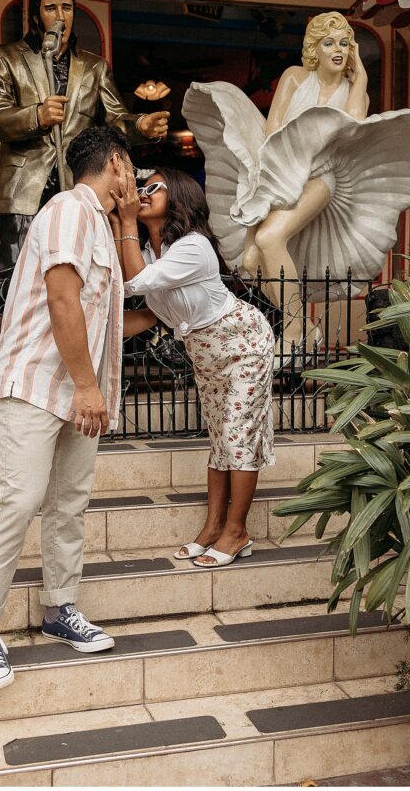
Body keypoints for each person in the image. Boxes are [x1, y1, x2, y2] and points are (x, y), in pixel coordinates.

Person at [0, 127, 156, 689]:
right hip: (36, 383)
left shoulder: (99, 222)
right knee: (20, 498)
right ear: (116, 163)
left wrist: (127, 226)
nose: (138, 181)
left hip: (77, 388)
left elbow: (110, 316)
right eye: (133, 168)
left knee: (68, 501)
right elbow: (61, 297)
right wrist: (88, 387)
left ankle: (59, 609)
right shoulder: (69, 209)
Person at [0, 0, 169, 371]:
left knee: (94, 264)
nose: (60, 15)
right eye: (50, 8)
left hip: (79, 183)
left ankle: (123, 345)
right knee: (12, 266)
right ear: (35, 14)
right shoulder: (4, 58)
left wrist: (140, 125)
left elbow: (115, 119)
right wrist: (35, 115)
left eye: (66, 7)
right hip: (26, 182)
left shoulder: (94, 67)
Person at [182, 12, 410, 349]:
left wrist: (361, 74)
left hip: (323, 177)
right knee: (250, 261)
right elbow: (272, 131)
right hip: (281, 174)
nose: (338, 49)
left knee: (271, 237)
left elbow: (350, 127)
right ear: (315, 48)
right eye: (329, 43)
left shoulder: (354, 91)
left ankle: (295, 330)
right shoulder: (294, 78)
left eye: (345, 44)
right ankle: (300, 323)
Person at [111, 166, 275, 568]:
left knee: (236, 438)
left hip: (243, 343)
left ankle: (237, 533)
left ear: (179, 196)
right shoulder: (149, 252)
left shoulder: (193, 246)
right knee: (220, 441)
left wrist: (128, 219)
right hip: (206, 355)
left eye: (152, 187)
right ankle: (213, 527)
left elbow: (135, 283)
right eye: (138, 186)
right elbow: (145, 304)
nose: (142, 193)